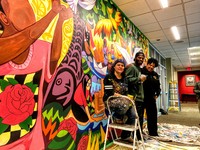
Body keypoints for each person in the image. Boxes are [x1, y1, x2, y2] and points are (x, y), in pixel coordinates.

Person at [103, 59, 136, 142]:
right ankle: (117, 117)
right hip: (110, 101)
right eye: (118, 65)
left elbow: (127, 92)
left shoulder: (125, 78)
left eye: (122, 65)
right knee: (125, 103)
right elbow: (109, 92)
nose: (120, 67)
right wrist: (122, 97)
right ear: (114, 66)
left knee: (133, 114)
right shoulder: (109, 77)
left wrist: (130, 98)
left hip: (124, 101)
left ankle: (125, 136)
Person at [125, 50, 146, 140]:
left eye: (142, 58)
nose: (141, 59)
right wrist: (139, 78)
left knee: (139, 118)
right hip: (134, 98)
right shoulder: (132, 67)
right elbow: (126, 80)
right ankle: (134, 136)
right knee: (135, 118)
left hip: (140, 97)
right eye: (139, 57)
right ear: (135, 58)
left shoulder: (138, 68)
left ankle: (137, 136)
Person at [142, 58, 161, 136]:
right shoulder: (140, 71)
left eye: (153, 66)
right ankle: (138, 134)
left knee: (152, 116)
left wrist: (157, 94)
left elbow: (158, 86)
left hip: (151, 98)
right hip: (141, 98)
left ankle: (153, 133)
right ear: (147, 64)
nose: (151, 67)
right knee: (139, 117)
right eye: (150, 65)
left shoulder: (155, 75)